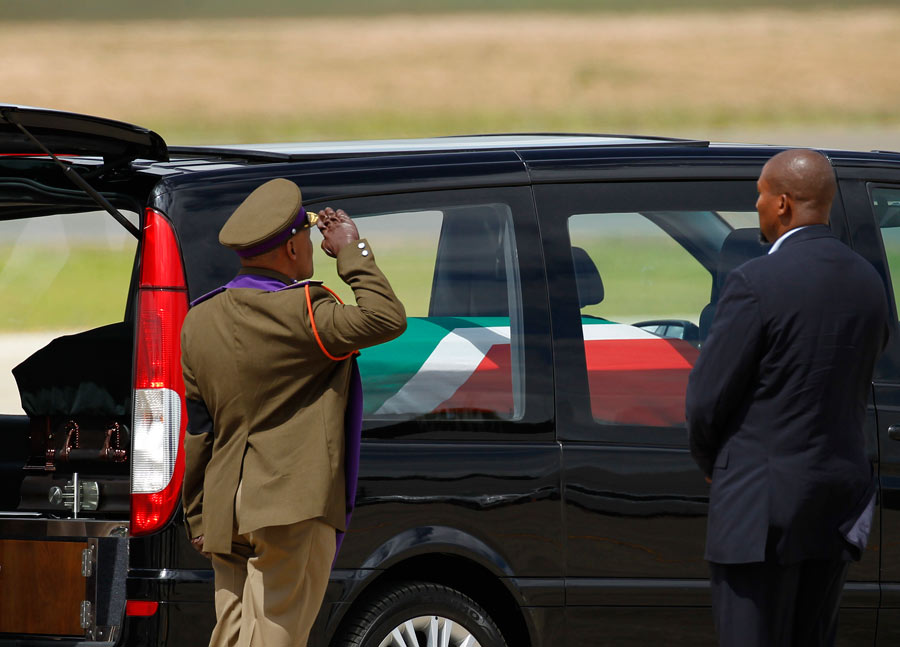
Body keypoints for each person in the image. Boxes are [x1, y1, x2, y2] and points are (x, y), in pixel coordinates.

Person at [180, 178, 406, 647]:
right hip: (288, 503)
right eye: (305, 234)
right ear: (290, 249)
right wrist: (351, 250)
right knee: (278, 636)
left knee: (232, 636)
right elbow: (386, 318)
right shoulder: (303, 310)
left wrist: (200, 515)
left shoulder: (198, 320)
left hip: (227, 505)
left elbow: (198, 429)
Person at [685, 149, 889, 647]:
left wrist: (715, 461)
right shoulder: (869, 282)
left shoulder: (755, 282)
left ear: (781, 204)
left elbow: (705, 400)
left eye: (759, 193)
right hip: (836, 504)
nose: (755, 204)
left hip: (760, 510)